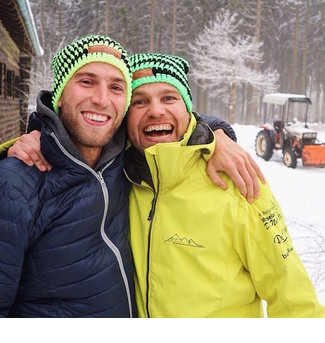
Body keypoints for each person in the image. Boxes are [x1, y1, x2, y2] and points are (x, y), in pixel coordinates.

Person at [0, 35, 262, 318]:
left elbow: (169, 117)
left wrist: (218, 135)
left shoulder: (127, 159)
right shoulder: (16, 185)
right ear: (60, 95)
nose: (101, 99)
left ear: (123, 106)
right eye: (86, 82)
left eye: (115, 87)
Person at [123, 53, 325, 317]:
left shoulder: (239, 180)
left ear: (188, 109)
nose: (156, 110)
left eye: (169, 97)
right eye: (139, 101)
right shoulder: (119, 175)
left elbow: (294, 300)